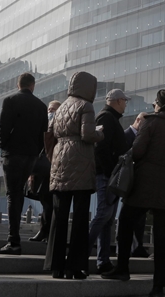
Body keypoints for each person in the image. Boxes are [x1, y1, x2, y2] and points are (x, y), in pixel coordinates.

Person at [102, 89, 165, 297]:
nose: (153, 106)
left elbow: (138, 150)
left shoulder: (151, 122)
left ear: (160, 104)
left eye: (155, 103)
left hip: (146, 183)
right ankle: (158, 287)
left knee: (125, 221)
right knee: (161, 236)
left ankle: (122, 268)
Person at [45, 72, 102, 279]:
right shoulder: (86, 106)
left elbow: (50, 132)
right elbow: (88, 135)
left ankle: (55, 265)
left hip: (60, 160)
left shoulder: (60, 108)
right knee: (79, 217)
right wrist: (100, 133)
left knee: (58, 216)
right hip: (80, 162)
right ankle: (75, 266)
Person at [0, 73, 49, 255]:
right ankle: (14, 240)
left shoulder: (10, 100)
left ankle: (13, 240)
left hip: (13, 153)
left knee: (12, 194)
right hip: (31, 155)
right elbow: (44, 134)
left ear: (19, 85)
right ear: (32, 86)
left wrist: (4, 146)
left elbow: (3, 127)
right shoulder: (42, 106)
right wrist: (36, 152)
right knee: (19, 193)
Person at [88, 89, 132, 274]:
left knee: (108, 219)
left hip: (110, 174)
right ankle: (79, 253)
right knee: (103, 215)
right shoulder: (105, 117)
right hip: (106, 175)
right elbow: (100, 148)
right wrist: (110, 171)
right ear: (117, 101)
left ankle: (103, 261)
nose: (126, 104)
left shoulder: (111, 118)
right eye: (125, 101)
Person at [28, 100, 61, 243]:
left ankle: (46, 232)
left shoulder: (60, 127)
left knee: (49, 202)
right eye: (49, 109)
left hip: (53, 168)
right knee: (45, 201)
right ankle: (46, 232)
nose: (50, 112)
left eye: (53, 110)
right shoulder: (42, 126)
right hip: (42, 169)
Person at [124, 112, 150, 258]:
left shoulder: (144, 137)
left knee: (140, 217)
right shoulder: (126, 135)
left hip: (140, 182)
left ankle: (137, 245)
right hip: (128, 181)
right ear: (138, 120)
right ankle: (132, 246)